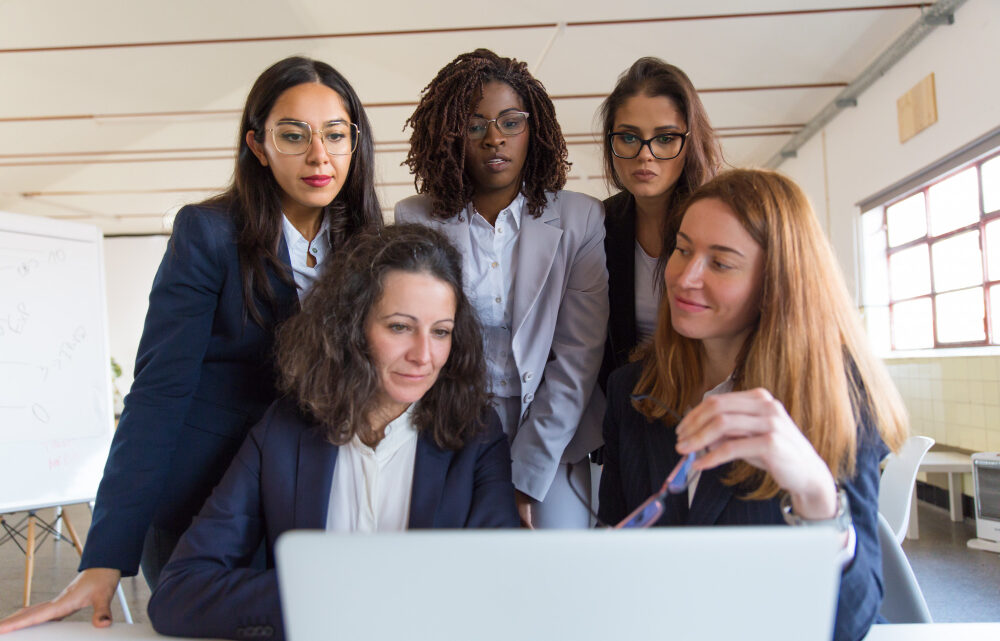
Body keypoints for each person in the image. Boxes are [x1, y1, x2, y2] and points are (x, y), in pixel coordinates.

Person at [0, 56, 382, 633]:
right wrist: (105, 555)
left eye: (335, 134)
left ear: (355, 141)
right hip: (202, 505)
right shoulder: (209, 233)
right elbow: (158, 393)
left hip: (317, 500)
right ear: (258, 145)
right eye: (293, 135)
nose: (319, 156)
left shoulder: (372, 245)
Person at [147, 224, 519, 640]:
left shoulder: (478, 435)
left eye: (441, 332)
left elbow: (499, 588)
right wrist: (327, 594)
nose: (423, 356)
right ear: (353, 325)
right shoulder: (284, 431)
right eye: (399, 327)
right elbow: (177, 594)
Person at [598, 169, 908, 641]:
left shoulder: (835, 400)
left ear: (776, 284)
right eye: (682, 250)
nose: (685, 278)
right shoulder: (631, 391)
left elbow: (849, 624)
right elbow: (617, 558)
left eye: (720, 263)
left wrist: (816, 495)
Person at [395, 48, 609, 529]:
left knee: (558, 566)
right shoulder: (415, 218)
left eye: (511, 122)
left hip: (554, 424)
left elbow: (577, 356)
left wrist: (525, 475)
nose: (495, 138)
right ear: (452, 137)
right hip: (452, 420)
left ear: (534, 130)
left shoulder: (580, 219)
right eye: (475, 126)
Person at [598, 57, 723, 391]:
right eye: (629, 137)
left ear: (690, 142)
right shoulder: (599, 225)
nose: (645, 154)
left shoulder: (724, 222)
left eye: (665, 138)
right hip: (631, 412)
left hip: (713, 402)